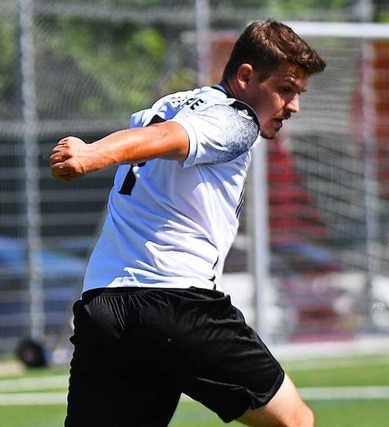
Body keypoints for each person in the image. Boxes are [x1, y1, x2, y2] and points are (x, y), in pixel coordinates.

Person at [49, 19, 325, 427]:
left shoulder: (170, 103)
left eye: (298, 93)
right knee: (294, 421)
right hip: (176, 303)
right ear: (247, 77)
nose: (293, 106)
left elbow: (161, 133)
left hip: (104, 306)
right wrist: (93, 155)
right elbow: (172, 139)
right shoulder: (236, 118)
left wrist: (98, 149)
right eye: (285, 89)